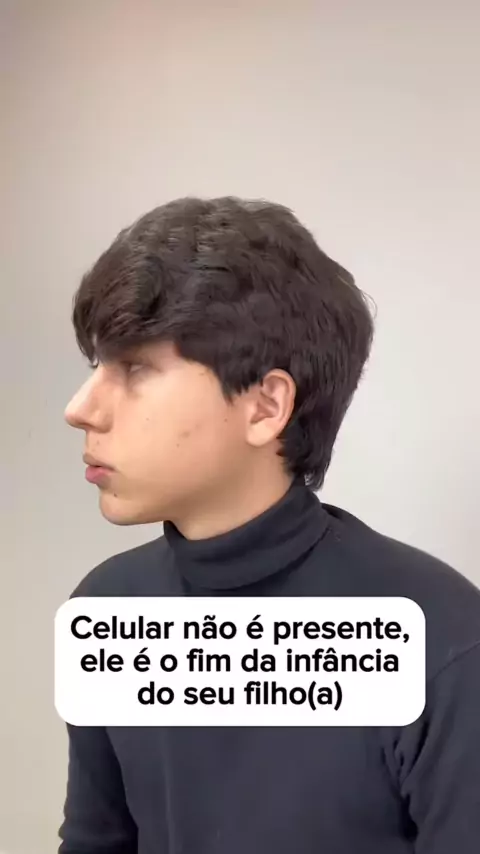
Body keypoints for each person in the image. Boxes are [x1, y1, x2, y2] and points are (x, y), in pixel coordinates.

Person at [60, 196, 480, 854]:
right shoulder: (108, 608)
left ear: (265, 406)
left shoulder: (444, 642)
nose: (80, 409)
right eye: (97, 367)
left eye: (135, 368)